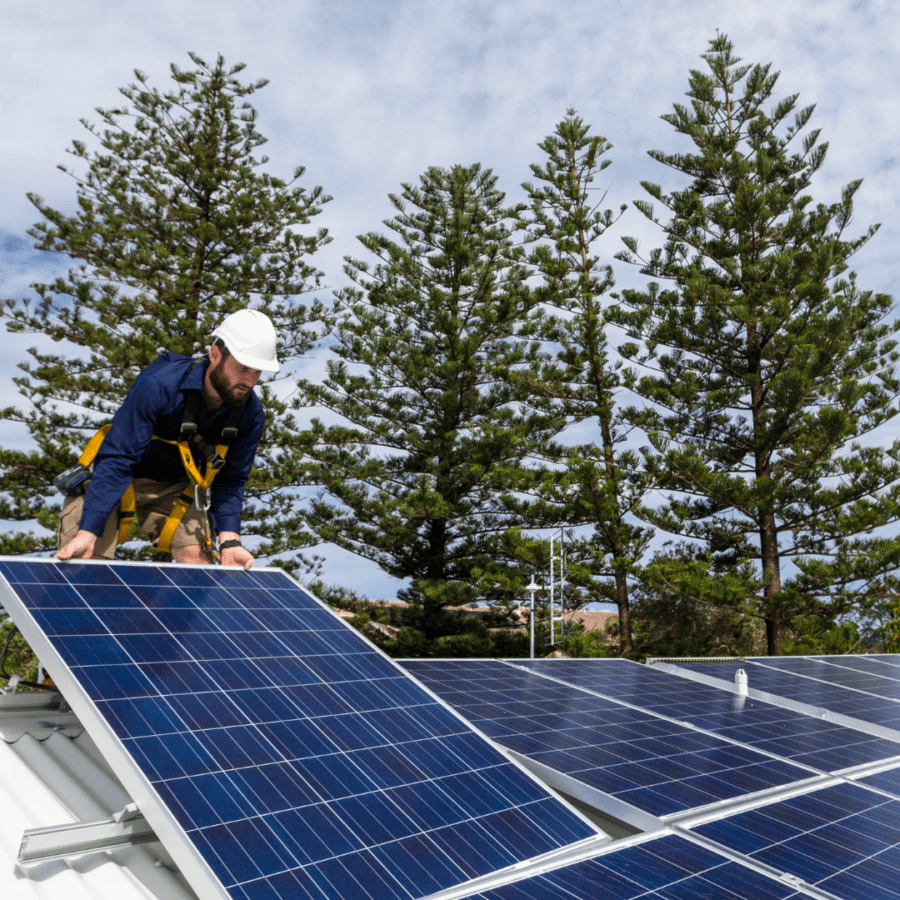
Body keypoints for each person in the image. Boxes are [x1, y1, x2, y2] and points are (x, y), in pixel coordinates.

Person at [55, 309, 278, 570]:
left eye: (258, 372)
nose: (250, 381)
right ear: (215, 355)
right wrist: (88, 531)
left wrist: (230, 541)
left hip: (175, 484)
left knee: (201, 568)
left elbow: (231, 479)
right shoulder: (159, 385)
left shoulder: (250, 414)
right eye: (242, 368)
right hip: (115, 474)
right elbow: (118, 458)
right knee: (86, 564)